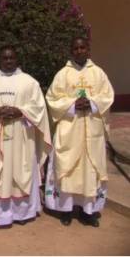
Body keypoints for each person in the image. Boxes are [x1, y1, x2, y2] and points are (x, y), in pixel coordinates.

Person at [0, 45, 52, 226]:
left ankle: (22, 213)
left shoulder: (30, 82)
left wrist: (21, 112)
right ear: (0, 60)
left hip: (22, 137)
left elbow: (39, 109)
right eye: (5, 58)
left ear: (17, 60)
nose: (8, 61)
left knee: (21, 169)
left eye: (11, 58)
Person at [45, 37, 114, 227]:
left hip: (92, 131)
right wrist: (72, 104)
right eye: (75, 48)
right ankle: (66, 210)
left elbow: (108, 96)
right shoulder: (62, 74)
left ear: (88, 50)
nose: (79, 50)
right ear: (71, 51)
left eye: (82, 47)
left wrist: (91, 103)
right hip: (70, 130)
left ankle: (87, 212)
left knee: (89, 171)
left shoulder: (98, 74)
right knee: (68, 170)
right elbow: (52, 98)